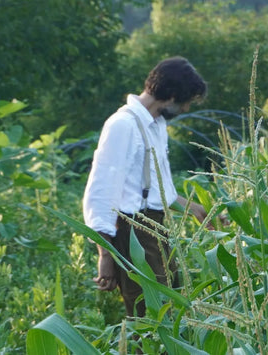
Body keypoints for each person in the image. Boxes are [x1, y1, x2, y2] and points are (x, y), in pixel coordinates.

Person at [83, 56, 208, 318]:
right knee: (148, 313)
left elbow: (153, 190)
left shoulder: (156, 126)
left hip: (155, 227)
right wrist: (105, 254)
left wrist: (192, 207)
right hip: (132, 231)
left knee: (168, 306)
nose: (185, 108)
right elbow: (100, 193)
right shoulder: (122, 125)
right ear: (171, 94)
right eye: (185, 101)